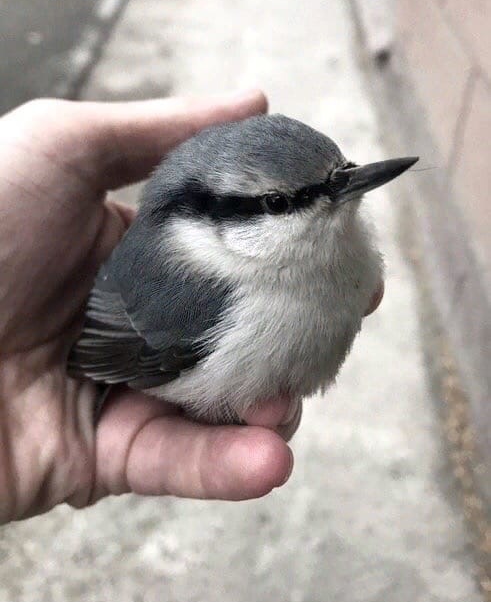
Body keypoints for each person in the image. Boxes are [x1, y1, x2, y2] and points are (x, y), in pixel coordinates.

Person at [0, 91, 383, 524]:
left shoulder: (339, 244)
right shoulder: (216, 302)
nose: (349, 189)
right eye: (279, 202)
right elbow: (108, 343)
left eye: (346, 175)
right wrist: (72, 363)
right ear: (224, 217)